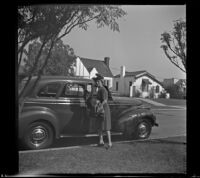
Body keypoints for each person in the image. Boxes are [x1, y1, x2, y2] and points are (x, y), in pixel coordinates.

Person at [94, 74, 112, 149]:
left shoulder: (103, 89)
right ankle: (101, 141)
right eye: (96, 81)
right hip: (100, 109)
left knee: (106, 127)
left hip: (104, 109)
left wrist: (100, 105)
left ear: (101, 81)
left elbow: (105, 100)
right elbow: (98, 99)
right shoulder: (99, 89)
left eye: (97, 81)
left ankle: (110, 143)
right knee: (100, 126)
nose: (96, 83)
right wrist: (97, 103)